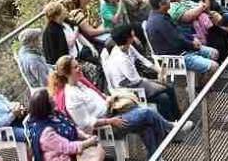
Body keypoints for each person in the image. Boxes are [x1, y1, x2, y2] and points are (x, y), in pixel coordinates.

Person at [49, 56, 190, 156]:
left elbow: (98, 99)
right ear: (67, 73)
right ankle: (172, 129)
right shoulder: (71, 96)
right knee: (147, 113)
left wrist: (109, 99)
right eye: (75, 67)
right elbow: (85, 123)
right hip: (106, 126)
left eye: (78, 65)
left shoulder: (80, 83)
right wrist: (110, 121)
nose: (79, 68)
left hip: (112, 112)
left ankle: (155, 156)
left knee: (147, 124)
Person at [103, 24, 182, 121]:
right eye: (132, 34)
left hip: (136, 82)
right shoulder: (121, 59)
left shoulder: (128, 47)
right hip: (128, 88)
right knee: (164, 95)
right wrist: (156, 82)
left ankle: (178, 119)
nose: (134, 35)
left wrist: (159, 70)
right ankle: (170, 123)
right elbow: (135, 80)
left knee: (167, 89)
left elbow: (143, 60)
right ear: (127, 38)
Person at [146, 0, 219, 75]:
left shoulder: (162, 15)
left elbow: (178, 31)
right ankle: (202, 87)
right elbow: (177, 41)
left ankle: (200, 79)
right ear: (161, 4)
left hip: (182, 50)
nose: (170, 1)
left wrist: (192, 38)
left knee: (214, 53)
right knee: (214, 67)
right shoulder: (159, 21)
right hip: (175, 58)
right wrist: (192, 45)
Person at [41, 1, 105, 91]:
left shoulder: (66, 22)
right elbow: (66, 46)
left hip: (81, 51)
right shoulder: (51, 32)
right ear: (57, 15)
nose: (65, 10)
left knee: (101, 58)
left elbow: (79, 34)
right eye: (62, 10)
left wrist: (90, 46)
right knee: (94, 70)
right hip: (71, 60)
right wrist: (75, 32)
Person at [26, 88, 102, 161]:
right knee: (99, 154)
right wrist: (88, 143)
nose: (54, 98)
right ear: (45, 105)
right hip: (62, 157)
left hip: (73, 153)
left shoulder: (55, 115)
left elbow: (71, 128)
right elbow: (67, 147)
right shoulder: (45, 133)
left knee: (101, 153)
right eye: (51, 98)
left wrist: (86, 136)